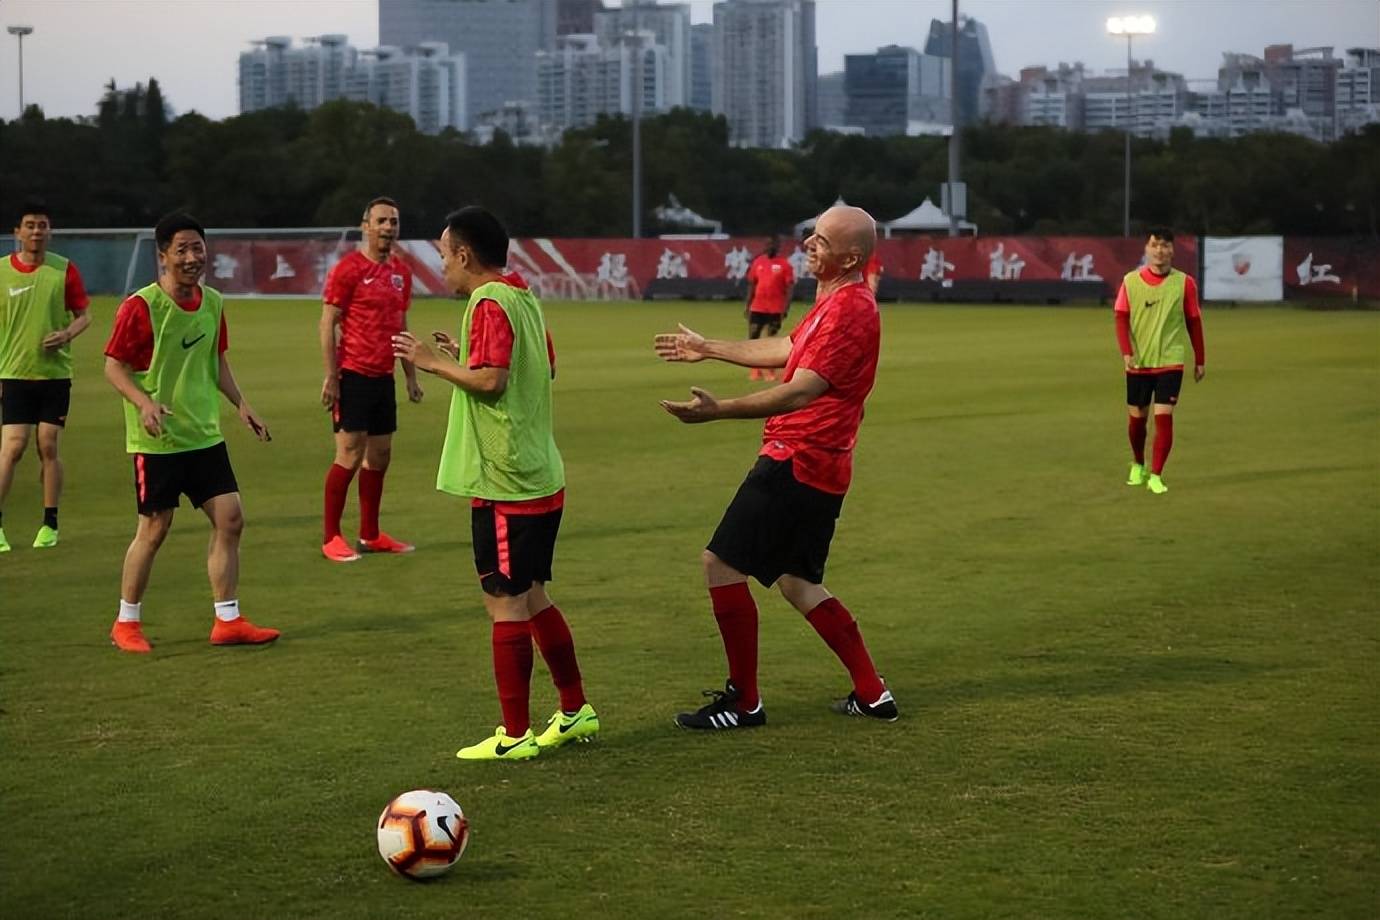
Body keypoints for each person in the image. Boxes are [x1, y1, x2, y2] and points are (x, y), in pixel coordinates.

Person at [654, 204, 897, 729]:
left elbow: (800, 390)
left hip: (799, 456)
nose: (811, 244)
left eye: (823, 241)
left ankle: (744, 703)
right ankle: (872, 693)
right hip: (823, 462)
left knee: (720, 564)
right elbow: (788, 347)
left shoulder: (851, 309)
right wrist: (708, 348)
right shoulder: (833, 300)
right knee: (798, 581)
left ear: (851, 257)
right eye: (811, 236)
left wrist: (720, 411)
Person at [392, 206, 597, 761]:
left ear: (463, 255)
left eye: (442, 255)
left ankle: (512, 736)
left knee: (504, 603)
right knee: (532, 597)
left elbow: (491, 379)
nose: (441, 267)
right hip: (540, 472)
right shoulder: (521, 295)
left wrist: (434, 363)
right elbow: (539, 366)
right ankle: (575, 710)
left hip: (507, 479)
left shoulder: (487, 301)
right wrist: (466, 357)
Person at [103, 212, 279, 653]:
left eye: (197, 248)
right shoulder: (142, 307)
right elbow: (113, 366)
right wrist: (143, 403)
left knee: (231, 519)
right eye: (181, 249)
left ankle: (228, 619)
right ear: (162, 255)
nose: (191, 257)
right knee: (155, 528)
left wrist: (242, 405)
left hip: (204, 436)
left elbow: (216, 360)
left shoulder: (213, 302)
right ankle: (126, 622)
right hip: (158, 440)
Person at [319, 196, 423, 562]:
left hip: (384, 376)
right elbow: (327, 322)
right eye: (381, 221)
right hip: (353, 374)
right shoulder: (347, 270)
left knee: (379, 457)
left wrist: (410, 375)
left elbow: (401, 325)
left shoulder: (401, 273)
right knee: (348, 454)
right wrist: (331, 377)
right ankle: (331, 536)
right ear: (365, 225)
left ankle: (370, 534)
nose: (388, 228)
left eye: (393, 221)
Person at [0, 201, 91, 552]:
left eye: (42, 225)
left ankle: (49, 523)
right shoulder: (3, 272)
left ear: (49, 232)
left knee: (48, 445)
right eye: (30, 225)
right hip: (14, 373)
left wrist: (67, 334)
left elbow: (84, 314)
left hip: (54, 375)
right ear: (17, 233)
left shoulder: (63, 270)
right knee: (13, 446)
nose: (36, 231)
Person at [1115, 228, 1206, 494]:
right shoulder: (1130, 281)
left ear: (1173, 250)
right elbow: (1120, 317)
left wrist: (1200, 358)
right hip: (1139, 363)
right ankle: (1138, 463)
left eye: (1165, 246)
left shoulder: (1185, 283)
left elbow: (1194, 321)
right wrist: (1127, 352)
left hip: (1170, 360)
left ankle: (1156, 474)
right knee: (1137, 421)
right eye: (1155, 245)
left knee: (1164, 418)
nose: (1160, 251)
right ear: (1146, 249)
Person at [742, 235, 795, 382]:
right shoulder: (758, 262)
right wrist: (748, 304)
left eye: (772, 244)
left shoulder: (785, 265)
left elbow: (790, 287)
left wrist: (786, 307)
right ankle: (755, 370)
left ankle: (771, 371)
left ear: (777, 247)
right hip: (757, 307)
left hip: (775, 308)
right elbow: (752, 284)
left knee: (771, 339)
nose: (769, 247)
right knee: (753, 339)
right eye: (767, 244)